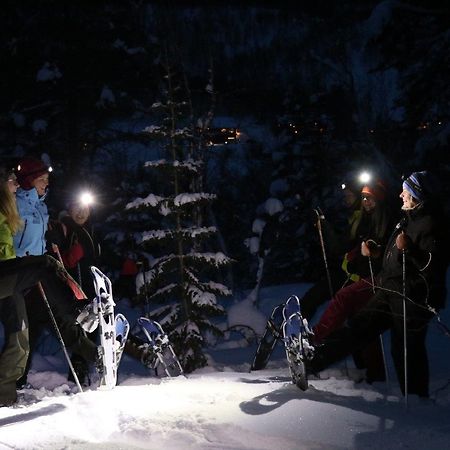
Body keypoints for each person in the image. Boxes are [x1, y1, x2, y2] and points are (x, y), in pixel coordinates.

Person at [308, 171, 447, 397]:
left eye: (406, 191)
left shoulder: (431, 223)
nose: (401, 194)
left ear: (418, 195)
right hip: (390, 287)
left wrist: (408, 251)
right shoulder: (408, 217)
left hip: (413, 297)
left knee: (405, 349)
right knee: (359, 327)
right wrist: (377, 252)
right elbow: (394, 255)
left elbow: (430, 265)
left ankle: (416, 403)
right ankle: (313, 361)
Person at [0, 164, 29, 406]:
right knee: (19, 334)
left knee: (19, 334)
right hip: (5, 279)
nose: (16, 185)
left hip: (10, 277)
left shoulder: (7, 211)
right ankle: (4, 395)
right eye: (12, 180)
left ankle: (5, 394)